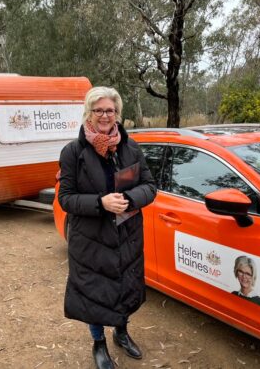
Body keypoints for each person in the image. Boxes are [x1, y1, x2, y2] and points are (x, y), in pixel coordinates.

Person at [58, 87, 157, 369]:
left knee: (124, 287)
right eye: (98, 110)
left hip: (126, 235)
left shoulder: (130, 147)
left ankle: (122, 333)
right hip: (90, 239)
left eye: (110, 110)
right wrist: (101, 203)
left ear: (118, 114)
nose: (104, 116)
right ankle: (99, 342)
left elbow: (150, 187)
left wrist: (128, 199)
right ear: (89, 113)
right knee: (94, 294)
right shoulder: (73, 152)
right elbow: (65, 199)